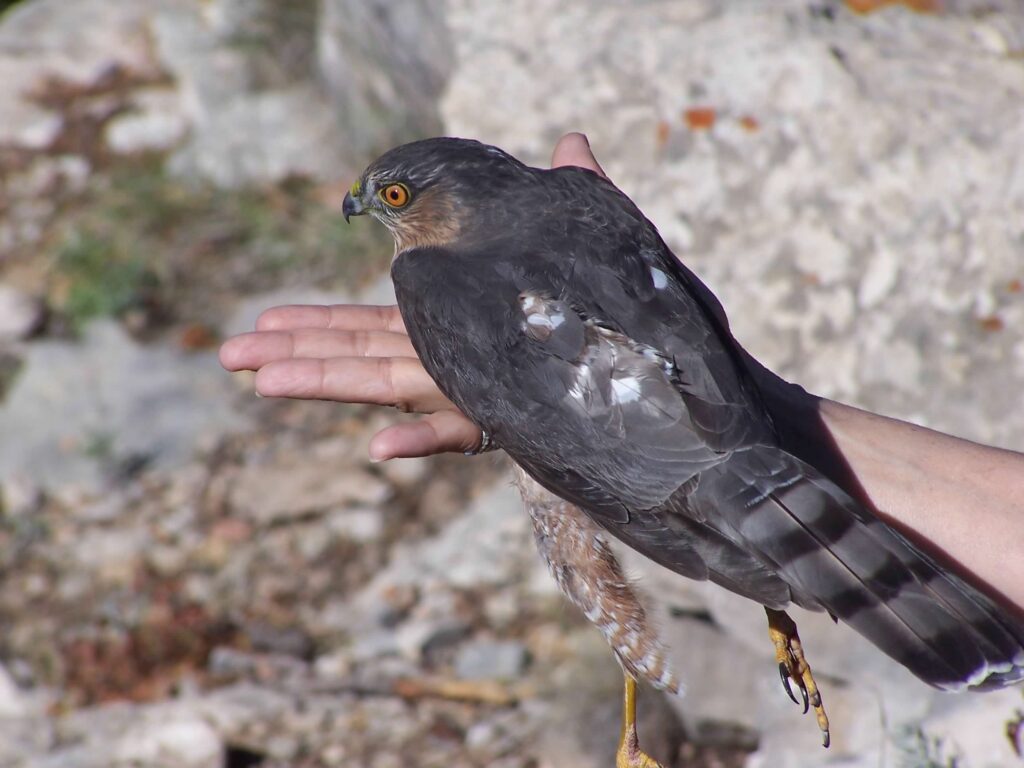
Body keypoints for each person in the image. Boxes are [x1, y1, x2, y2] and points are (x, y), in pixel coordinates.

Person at [220, 133, 1024, 613]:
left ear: (452, 196)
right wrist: (763, 428)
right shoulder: (580, 198)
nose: (372, 209)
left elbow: (561, 433)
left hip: (688, 465)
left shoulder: (426, 279)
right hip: (731, 432)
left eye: (392, 196)